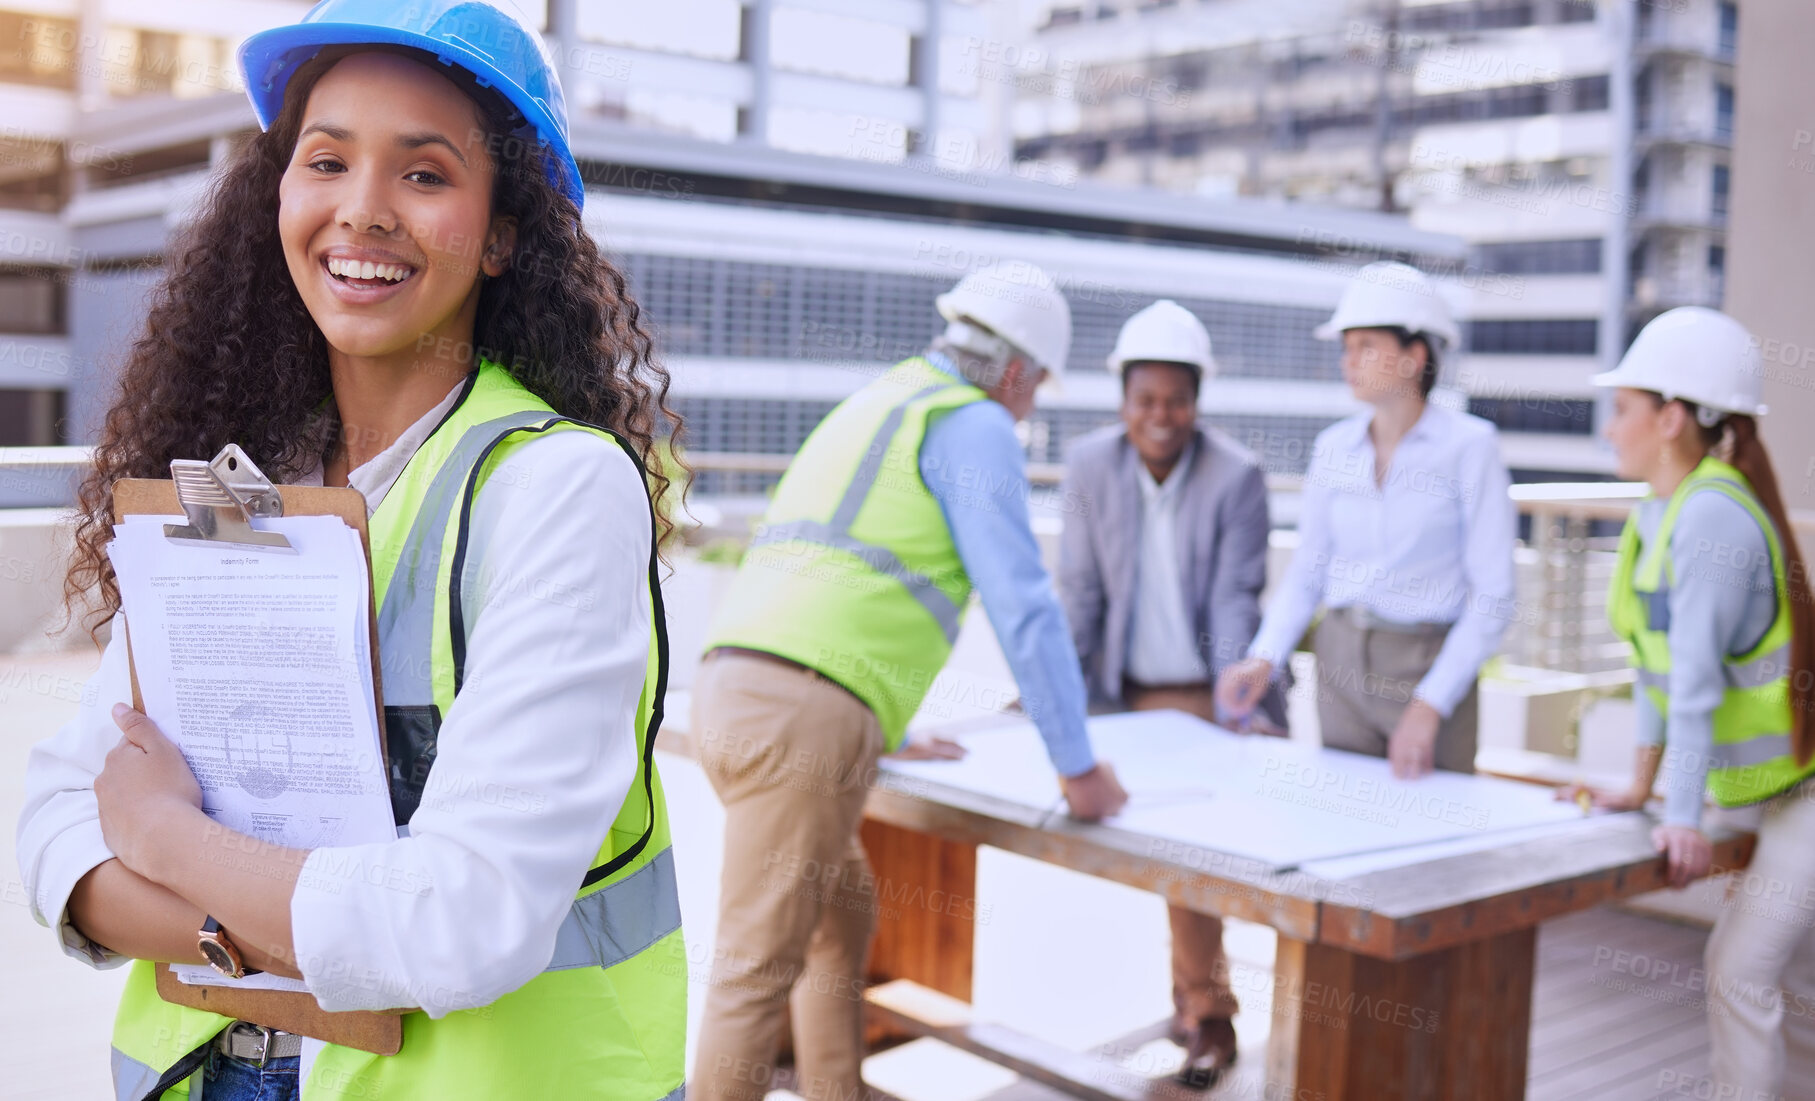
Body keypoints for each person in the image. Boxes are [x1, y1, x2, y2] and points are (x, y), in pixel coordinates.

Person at [15, 2, 687, 1097]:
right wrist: (268, 945)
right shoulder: (240, 491)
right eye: (326, 160)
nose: (362, 211)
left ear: (504, 229)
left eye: (425, 175)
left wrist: (162, 839)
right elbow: (54, 824)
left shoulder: (553, 490)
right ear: (278, 193)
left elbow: (461, 922)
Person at [692, 261, 1129, 1101]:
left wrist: (878, 720)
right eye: (1035, 388)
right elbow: (1024, 606)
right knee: (754, 970)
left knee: (841, 909)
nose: (1030, 407)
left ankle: (835, 1091)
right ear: (1013, 372)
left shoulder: (882, 400)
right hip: (800, 720)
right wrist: (1076, 765)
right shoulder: (974, 426)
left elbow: (833, 571)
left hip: (741, 688)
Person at [1571, 307, 1814, 1097]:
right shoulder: (1662, 513)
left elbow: (1699, 683)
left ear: (1669, 417)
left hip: (1801, 793)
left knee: (1737, 969)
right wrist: (1642, 790)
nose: (1610, 429)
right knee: (1783, 978)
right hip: (1768, 787)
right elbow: (1656, 671)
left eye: (1622, 408)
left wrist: (1678, 816)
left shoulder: (1709, 514)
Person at [1057, 299, 1282, 1087]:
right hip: (1122, 693)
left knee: (1194, 858)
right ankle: (1194, 998)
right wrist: (1054, 693)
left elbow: (1234, 602)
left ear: (1197, 401)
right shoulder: (1089, 466)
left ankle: (1208, 1015)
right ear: (1123, 400)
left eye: (1176, 401)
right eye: (1145, 400)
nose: (1161, 416)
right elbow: (1078, 592)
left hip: (1200, 694)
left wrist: (1235, 709)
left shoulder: (1235, 476)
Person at [1216, 261, 1517, 779]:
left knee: (1433, 835)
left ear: (1415, 355)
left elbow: (1493, 595)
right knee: (1341, 825)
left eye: (1365, 346)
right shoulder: (1333, 447)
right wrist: (1262, 658)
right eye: (1345, 347)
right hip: (1339, 662)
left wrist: (1431, 705)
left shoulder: (1471, 448)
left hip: (1427, 664)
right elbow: (1308, 574)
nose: (1348, 361)